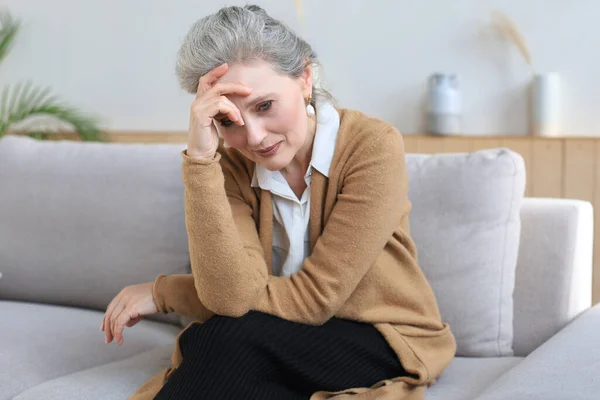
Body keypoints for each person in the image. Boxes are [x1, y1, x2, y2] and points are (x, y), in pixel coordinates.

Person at [101, 5, 456, 400]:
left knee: (221, 340)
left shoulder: (372, 146)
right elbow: (229, 296)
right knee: (222, 351)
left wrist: (169, 292)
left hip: (384, 337)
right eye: (228, 121)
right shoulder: (232, 167)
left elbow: (315, 299)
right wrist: (201, 161)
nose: (253, 137)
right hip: (279, 338)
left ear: (305, 78)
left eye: (265, 106)